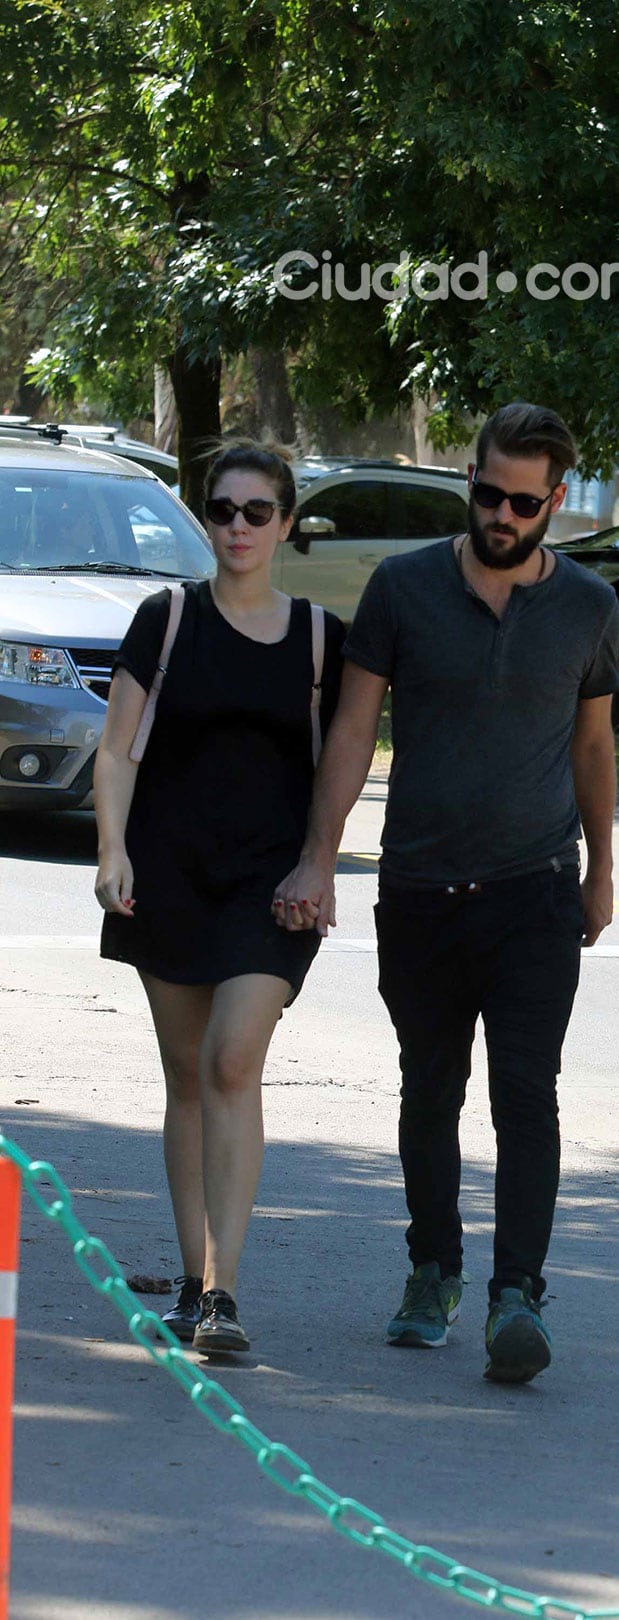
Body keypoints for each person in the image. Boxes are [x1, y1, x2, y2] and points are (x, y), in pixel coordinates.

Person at [275, 402, 619, 1383]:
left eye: (522, 501)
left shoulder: (589, 605)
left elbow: (593, 747)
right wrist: (317, 855)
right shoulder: (403, 588)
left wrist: (602, 870)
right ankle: (435, 1269)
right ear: (468, 480)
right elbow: (351, 731)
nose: (500, 515)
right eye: (486, 492)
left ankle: (520, 1294)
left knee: (526, 1091)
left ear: (557, 501)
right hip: (421, 887)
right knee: (431, 1089)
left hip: (537, 890)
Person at [93, 442, 344, 1354]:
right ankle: (193, 1278)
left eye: (257, 510)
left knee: (233, 1060)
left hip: (269, 888)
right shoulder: (164, 621)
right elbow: (117, 750)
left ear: (285, 522)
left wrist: (320, 865)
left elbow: (339, 771)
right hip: (169, 875)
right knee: (187, 1072)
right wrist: (111, 850)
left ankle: (224, 1291)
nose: (238, 526)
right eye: (223, 509)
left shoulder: (321, 638)